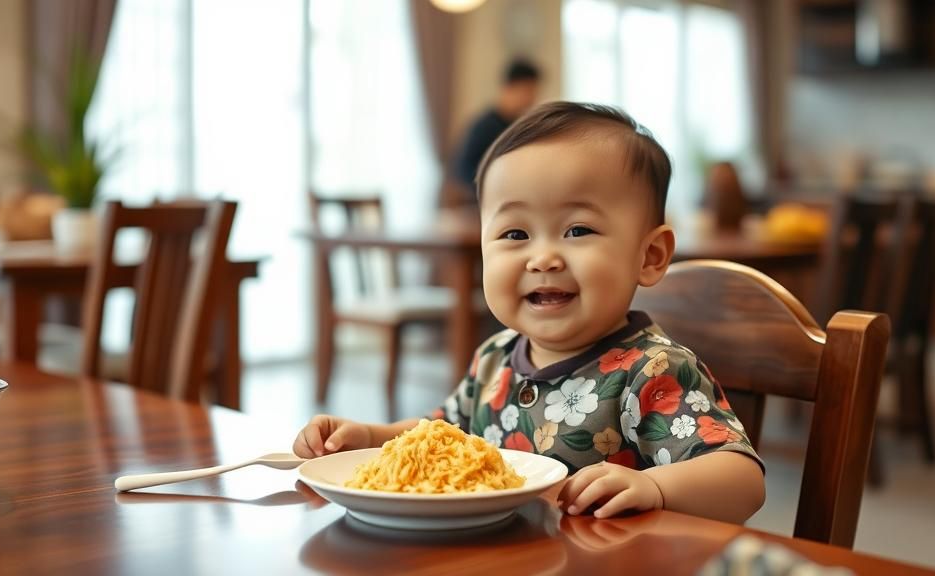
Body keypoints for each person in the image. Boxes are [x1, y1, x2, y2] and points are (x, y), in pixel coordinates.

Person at [294, 102, 766, 523]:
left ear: (650, 257)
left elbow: (743, 480)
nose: (542, 258)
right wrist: (369, 437)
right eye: (515, 235)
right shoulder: (495, 359)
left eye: (578, 230)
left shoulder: (652, 372)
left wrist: (657, 487)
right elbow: (438, 434)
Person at [451, 59, 541, 202]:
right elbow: (462, 169)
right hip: (483, 204)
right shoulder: (484, 126)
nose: (532, 98)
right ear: (509, 87)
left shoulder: (519, 126)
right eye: (528, 91)